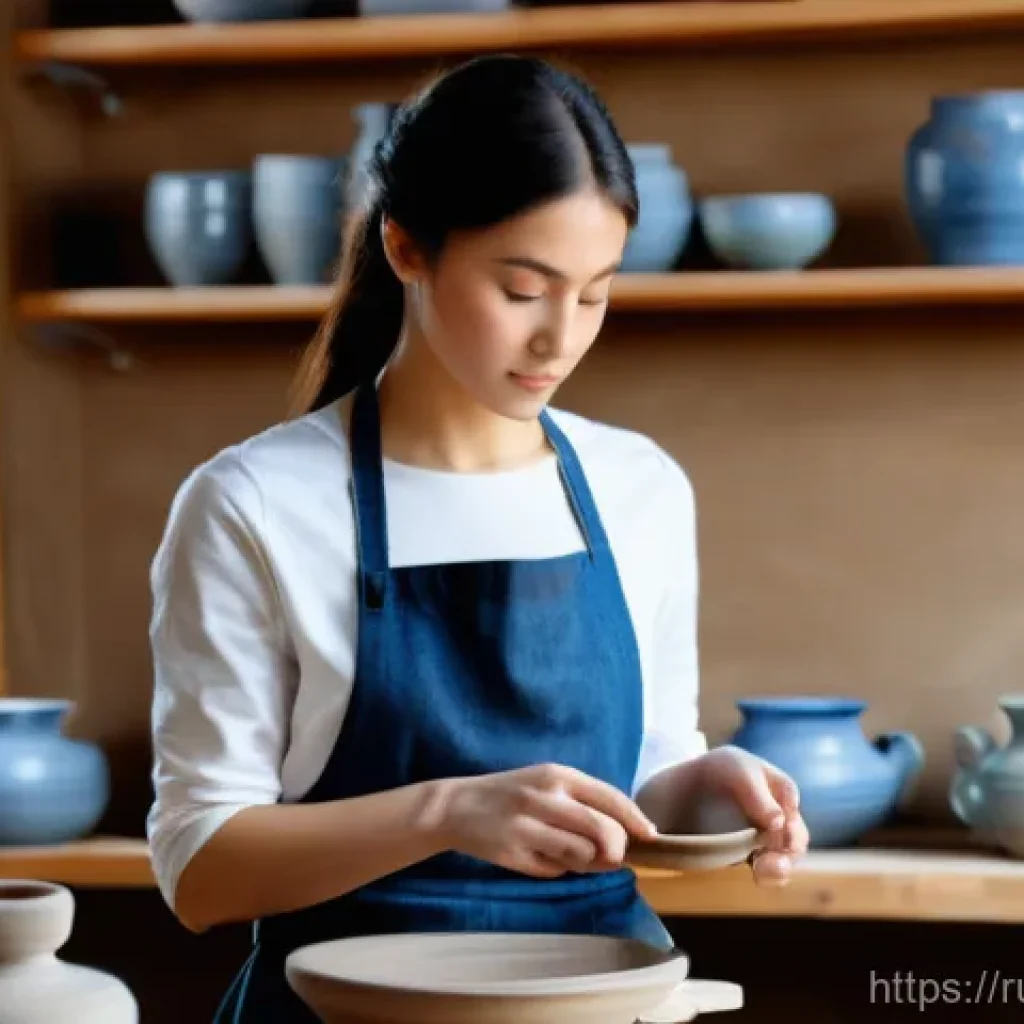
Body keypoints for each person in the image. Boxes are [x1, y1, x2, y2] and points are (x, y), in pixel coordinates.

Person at [146, 54, 808, 1022]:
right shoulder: (254, 504)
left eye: (594, 292)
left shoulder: (640, 489)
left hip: (594, 1002)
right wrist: (447, 811)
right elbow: (199, 870)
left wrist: (716, 792)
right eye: (523, 289)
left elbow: (645, 783)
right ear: (406, 247)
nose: (560, 339)